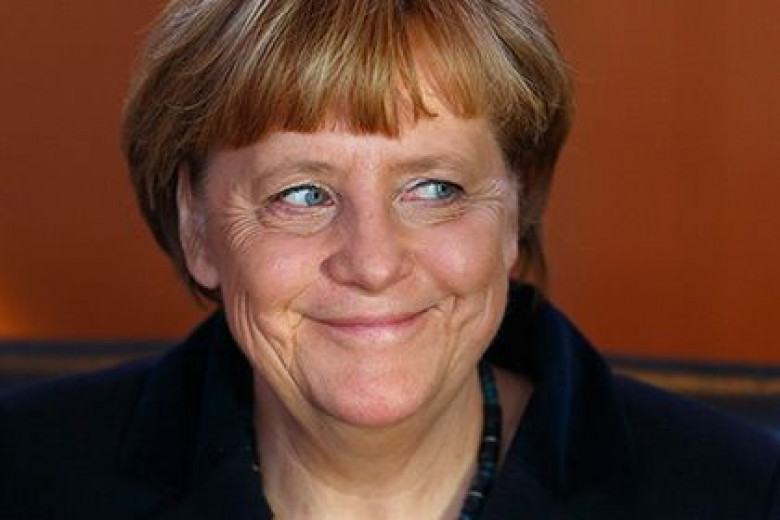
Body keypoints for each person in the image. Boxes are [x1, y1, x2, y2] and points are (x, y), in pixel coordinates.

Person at [2, 0, 779, 518]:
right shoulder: (24, 478)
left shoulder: (742, 496)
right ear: (198, 225)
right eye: (302, 194)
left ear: (516, 207)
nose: (373, 263)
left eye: (435, 188)